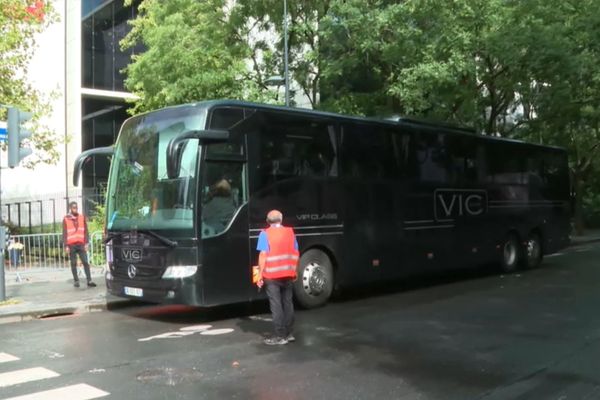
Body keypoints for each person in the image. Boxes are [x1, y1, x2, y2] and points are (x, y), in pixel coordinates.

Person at [255, 210, 299, 345]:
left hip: (271, 275)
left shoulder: (264, 234)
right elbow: (296, 252)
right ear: (281, 219)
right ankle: (289, 333)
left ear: (268, 221)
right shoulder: (290, 232)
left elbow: (263, 255)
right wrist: (295, 271)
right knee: (288, 303)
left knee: (276, 305)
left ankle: (280, 336)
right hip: (288, 274)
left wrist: (259, 276)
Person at [63, 202, 96, 288]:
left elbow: (86, 231)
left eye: (76, 207)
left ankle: (89, 280)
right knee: (73, 263)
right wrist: (66, 245)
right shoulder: (66, 219)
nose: (75, 209)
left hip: (81, 244)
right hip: (71, 244)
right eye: (74, 208)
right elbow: (64, 233)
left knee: (85, 261)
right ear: (70, 208)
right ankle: (76, 280)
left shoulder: (82, 217)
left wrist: (86, 243)